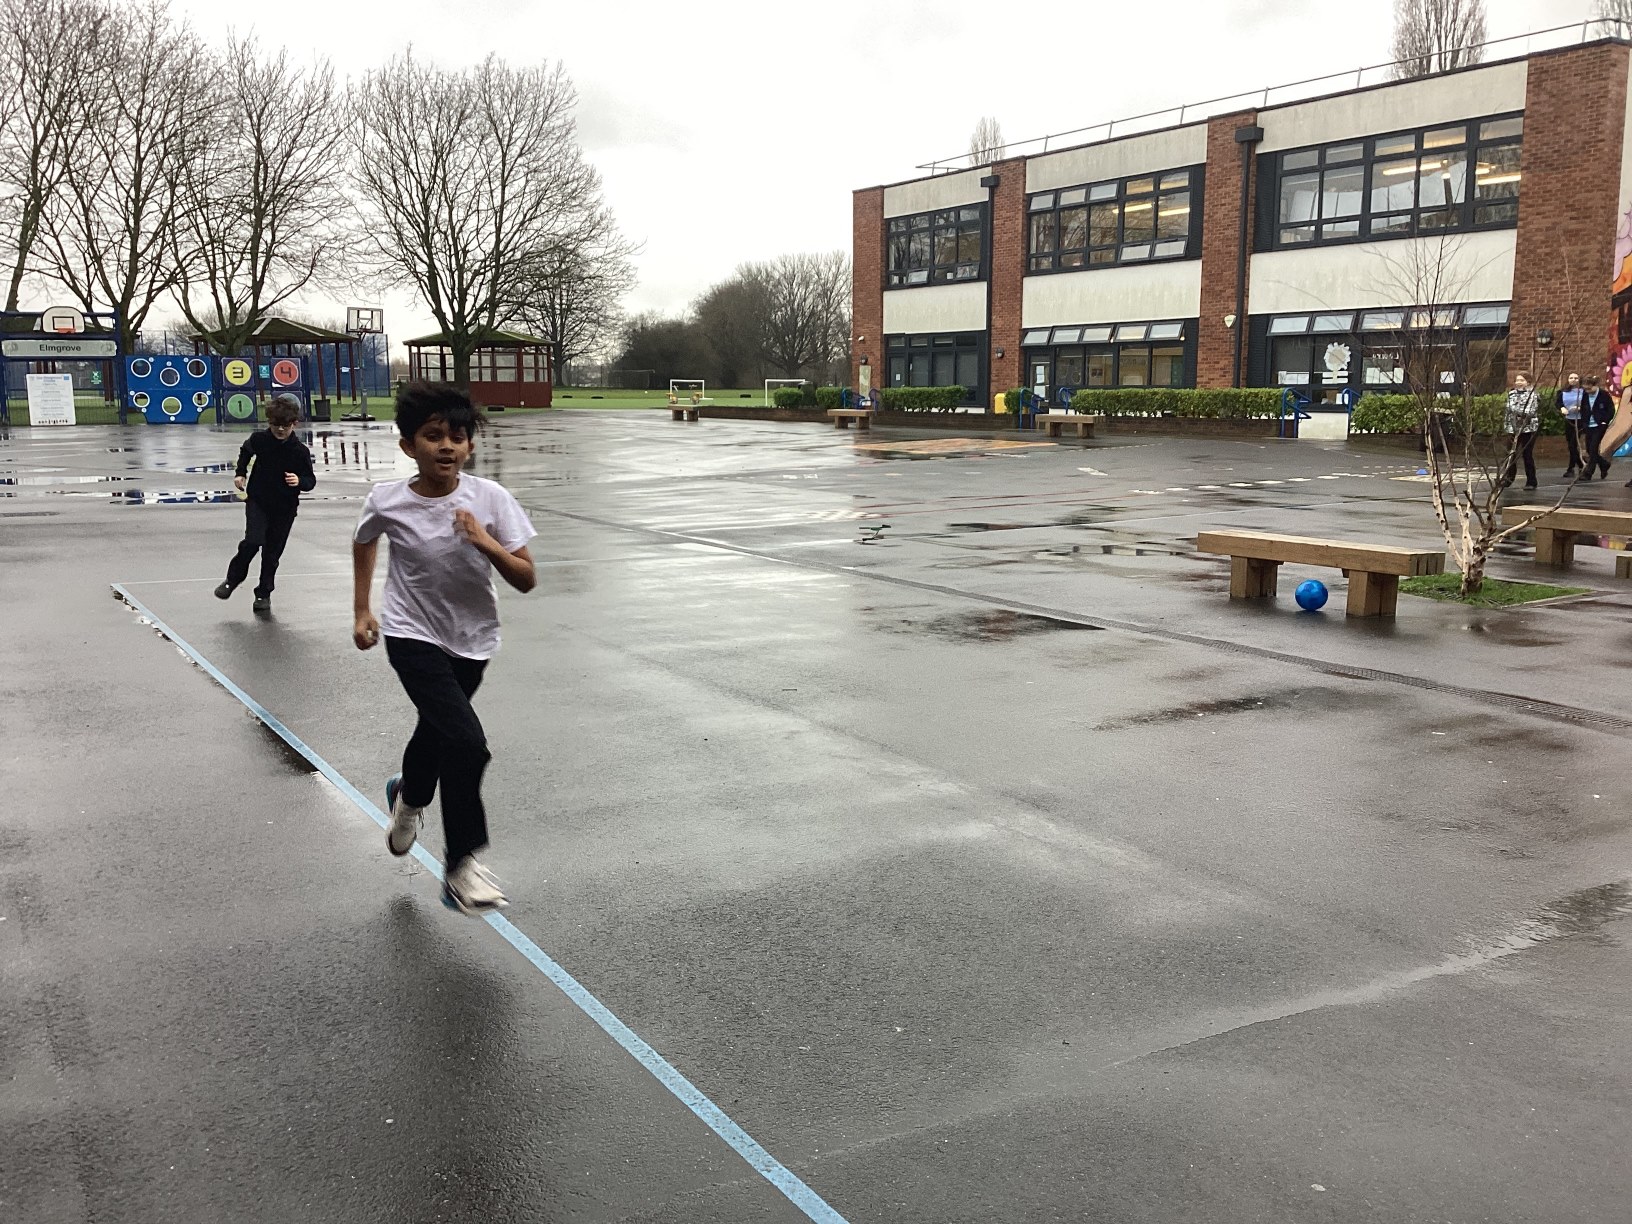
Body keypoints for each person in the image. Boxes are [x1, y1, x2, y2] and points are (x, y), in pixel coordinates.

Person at [351, 382, 537, 915]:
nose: (447, 447)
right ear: (410, 445)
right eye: (433, 436)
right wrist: (363, 609)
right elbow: (364, 540)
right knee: (467, 744)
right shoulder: (387, 500)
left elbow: (525, 578)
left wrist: (486, 542)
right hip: (412, 635)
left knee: (435, 732)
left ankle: (407, 798)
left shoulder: (491, 499)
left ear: (470, 446)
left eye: (457, 436)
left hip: (473, 640)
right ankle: (460, 865)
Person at [215, 394, 315, 613]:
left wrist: (299, 481)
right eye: (275, 425)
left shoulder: (300, 452)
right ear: (269, 423)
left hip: (285, 508)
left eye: (285, 426)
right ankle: (233, 579)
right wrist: (240, 473)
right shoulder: (260, 440)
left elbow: (310, 480)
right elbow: (246, 451)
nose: (280, 430)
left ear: (294, 424)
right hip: (258, 501)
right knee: (253, 541)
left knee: (272, 553)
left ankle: (263, 594)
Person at [1503, 371, 1540, 491]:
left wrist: (1515, 410)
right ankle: (1508, 478)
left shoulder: (1532, 395)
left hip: (1527, 428)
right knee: (1510, 453)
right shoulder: (1511, 394)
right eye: (1517, 380)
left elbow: (1530, 412)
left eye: (1522, 380)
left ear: (1528, 382)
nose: (1519, 383)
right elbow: (1507, 411)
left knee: (1526, 454)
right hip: (1512, 427)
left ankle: (1531, 481)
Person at [1581, 374, 1615, 481]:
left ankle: (1588, 473)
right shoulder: (1584, 395)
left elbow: (1611, 409)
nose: (1587, 391)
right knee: (1590, 450)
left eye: (1589, 388)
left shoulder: (1604, 395)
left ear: (1595, 386)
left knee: (1593, 448)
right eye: (1585, 389)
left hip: (1599, 426)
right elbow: (1583, 408)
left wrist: (1605, 421)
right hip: (1588, 425)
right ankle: (1604, 464)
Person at [1557, 372, 1585, 477]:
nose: (1573, 380)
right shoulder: (1562, 392)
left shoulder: (1583, 392)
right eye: (1571, 378)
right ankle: (1577, 465)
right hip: (1569, 420)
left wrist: (1579, 408)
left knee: (1573, 444)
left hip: (1580, 420)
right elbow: (1558, 403)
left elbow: (1588, 405)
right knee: (1571, 445)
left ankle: (1575, 467)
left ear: (1579, 380)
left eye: (1576, 378)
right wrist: (1562, 408)